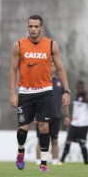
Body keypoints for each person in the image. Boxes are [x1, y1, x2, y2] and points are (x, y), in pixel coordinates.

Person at [9, 15, 71, 172]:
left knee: (44, 126)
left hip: (45, 91)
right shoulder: (18, 45)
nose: (34, 29)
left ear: (41, 28)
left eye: (36, 26)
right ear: (27, 27)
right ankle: (20, 151)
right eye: (31, 26)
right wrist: (12, 93)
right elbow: (13, 70)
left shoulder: (51, 45)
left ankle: (43, 164)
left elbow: (61, 69)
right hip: (25, 92)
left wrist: (66, 91)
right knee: (23, 127)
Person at [35, 62, 70, 165]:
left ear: (56, 68)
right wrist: (34, 115)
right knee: (40, 139)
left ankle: (55, 160)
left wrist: (67, 115)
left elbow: (65, 100)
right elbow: (35, 99)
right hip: (41, 114)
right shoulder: (40, 81)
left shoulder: (60, 83)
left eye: (53, 65)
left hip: (56, 114)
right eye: (50, 65)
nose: (51, 67)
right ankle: (38, 161)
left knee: (54, 139)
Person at [60, 80, 88, 165]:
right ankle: (62, 160)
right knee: (68, 141)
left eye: (80, 88)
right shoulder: (76, 96)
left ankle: (86, 161)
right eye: (77, 88)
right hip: (74, 123)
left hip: (83, 124)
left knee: (81, 143)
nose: (79, 89)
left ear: (83, 87)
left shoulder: (85, 96)